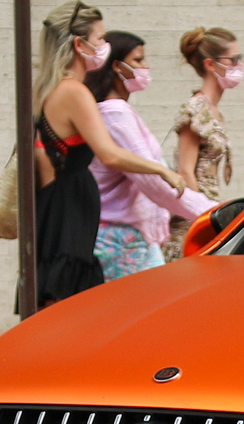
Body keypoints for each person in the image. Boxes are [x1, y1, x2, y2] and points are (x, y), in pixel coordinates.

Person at [33, 12, 190, 309]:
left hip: (55, 203)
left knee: (58, 302)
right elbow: (109, 153)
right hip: (72, 209)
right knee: (75, 306)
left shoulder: (46, 89)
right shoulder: (74, 92)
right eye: (100, 39)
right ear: (80, 45)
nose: (104, 45)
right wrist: (162, 170)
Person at [88, 32, 211, 278]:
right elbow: (154, 183)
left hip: (127, 238)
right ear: (117, 67)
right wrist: (213, 214)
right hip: (123, 241)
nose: (146, 67)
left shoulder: (114, 112)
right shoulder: (115, 114)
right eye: (138, 60)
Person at [168, 27, 242, 259]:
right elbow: (185, 171)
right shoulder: (196, 108)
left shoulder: (213, 110)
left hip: (207, 207)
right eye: (234, 60)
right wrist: (204, 218)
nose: (239, 66)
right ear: (210, 65)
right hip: (193, 217)